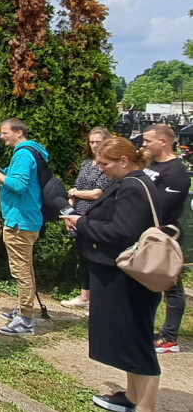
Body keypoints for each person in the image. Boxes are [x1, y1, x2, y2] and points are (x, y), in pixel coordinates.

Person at [61, 137, 162, 412]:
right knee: (126, 339)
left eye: (105, 164)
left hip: (128, 278)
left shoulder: (133, 186)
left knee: (137, 342)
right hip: (117, 274)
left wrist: (82, 223)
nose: (101, 169)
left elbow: (122, 232)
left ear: (124, 161)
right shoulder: (129, 182)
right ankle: (132, 396)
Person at [0, 118, 48, 336]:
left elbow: (18, 185)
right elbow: (13, 178)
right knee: (25, 268)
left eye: (4, 132)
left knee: (21, 271)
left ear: (19, 132)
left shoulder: (23, 154)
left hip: (20, 221)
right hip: (26, 218)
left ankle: (25, 320)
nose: (1, 137)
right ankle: (23, 308)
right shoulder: (31, 152)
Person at [141, 124, 191, 354]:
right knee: (145, 283)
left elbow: (159, 206)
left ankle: (170, 337)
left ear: (163, 142)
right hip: (145, 233)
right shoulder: (151, 164)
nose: (144, 144)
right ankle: (145, 328)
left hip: (165, 236)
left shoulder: (176, 173)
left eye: (148, 140)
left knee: (171, 285)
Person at [61, 127, 112, 310]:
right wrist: (69, 213)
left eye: (98, 142)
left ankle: (98, 300)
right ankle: (84, 297)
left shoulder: (107, 165)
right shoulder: (86, 164)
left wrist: (75, 193)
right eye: (91, 142)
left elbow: (97, 193)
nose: (94, 145)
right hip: (78, 214)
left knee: (95, 257)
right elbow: (74, 189)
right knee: (83, 256)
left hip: (96, 215)